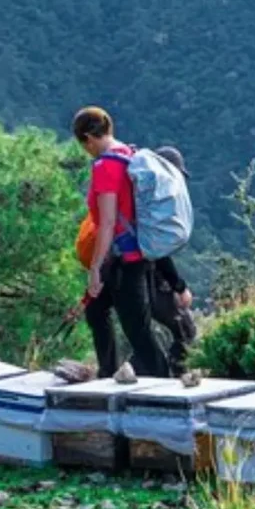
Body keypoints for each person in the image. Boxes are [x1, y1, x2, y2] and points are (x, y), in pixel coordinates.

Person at [73, 106, 169, 379]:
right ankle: (107, 374)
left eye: (84, 145)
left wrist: (95, 268)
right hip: (132, 253)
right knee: (96, 309)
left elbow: (106, 223)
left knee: (137, 329)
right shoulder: (128, 154)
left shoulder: (105, 166)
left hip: (123, 259)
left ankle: (167, 383)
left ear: (88, 139)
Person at [149, 146, 197, 375]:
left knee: (141, 335)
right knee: (185, 330)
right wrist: (179, 286)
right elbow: (159, 253)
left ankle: (139, 372)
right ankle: (175, 378)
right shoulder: (153, 202)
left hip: (125, 273)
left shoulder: (144, 193)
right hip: (148, 276)